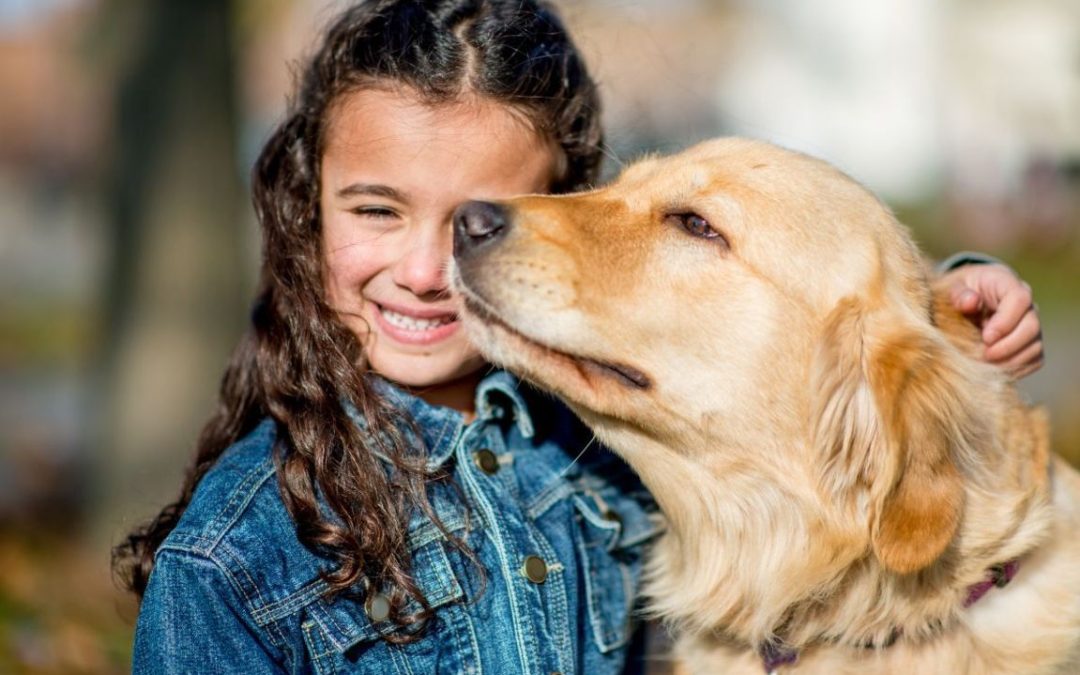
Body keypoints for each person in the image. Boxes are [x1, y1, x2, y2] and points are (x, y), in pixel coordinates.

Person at [112, 1, 1045, 673]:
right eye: (376, 209)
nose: (435, 266)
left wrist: (944, 313)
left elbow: (796, 344)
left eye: (489, 213)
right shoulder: (229, 562)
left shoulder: (598, 434)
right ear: (303, 211)